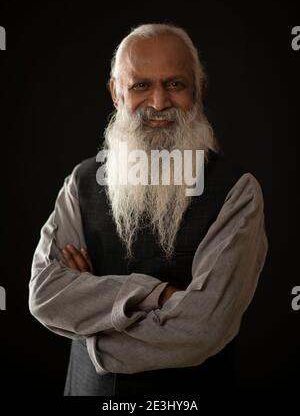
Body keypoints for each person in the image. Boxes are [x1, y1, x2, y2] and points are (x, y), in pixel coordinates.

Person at [29, 23, 268, 396]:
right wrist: (159, 295)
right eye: (141, 85)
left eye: (175, 84)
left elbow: (204, 329)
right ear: (115, 93)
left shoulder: (238, 192)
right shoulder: (82, 182)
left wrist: (92, 328)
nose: (158, 103)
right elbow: (45, 295)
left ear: (199, 91)